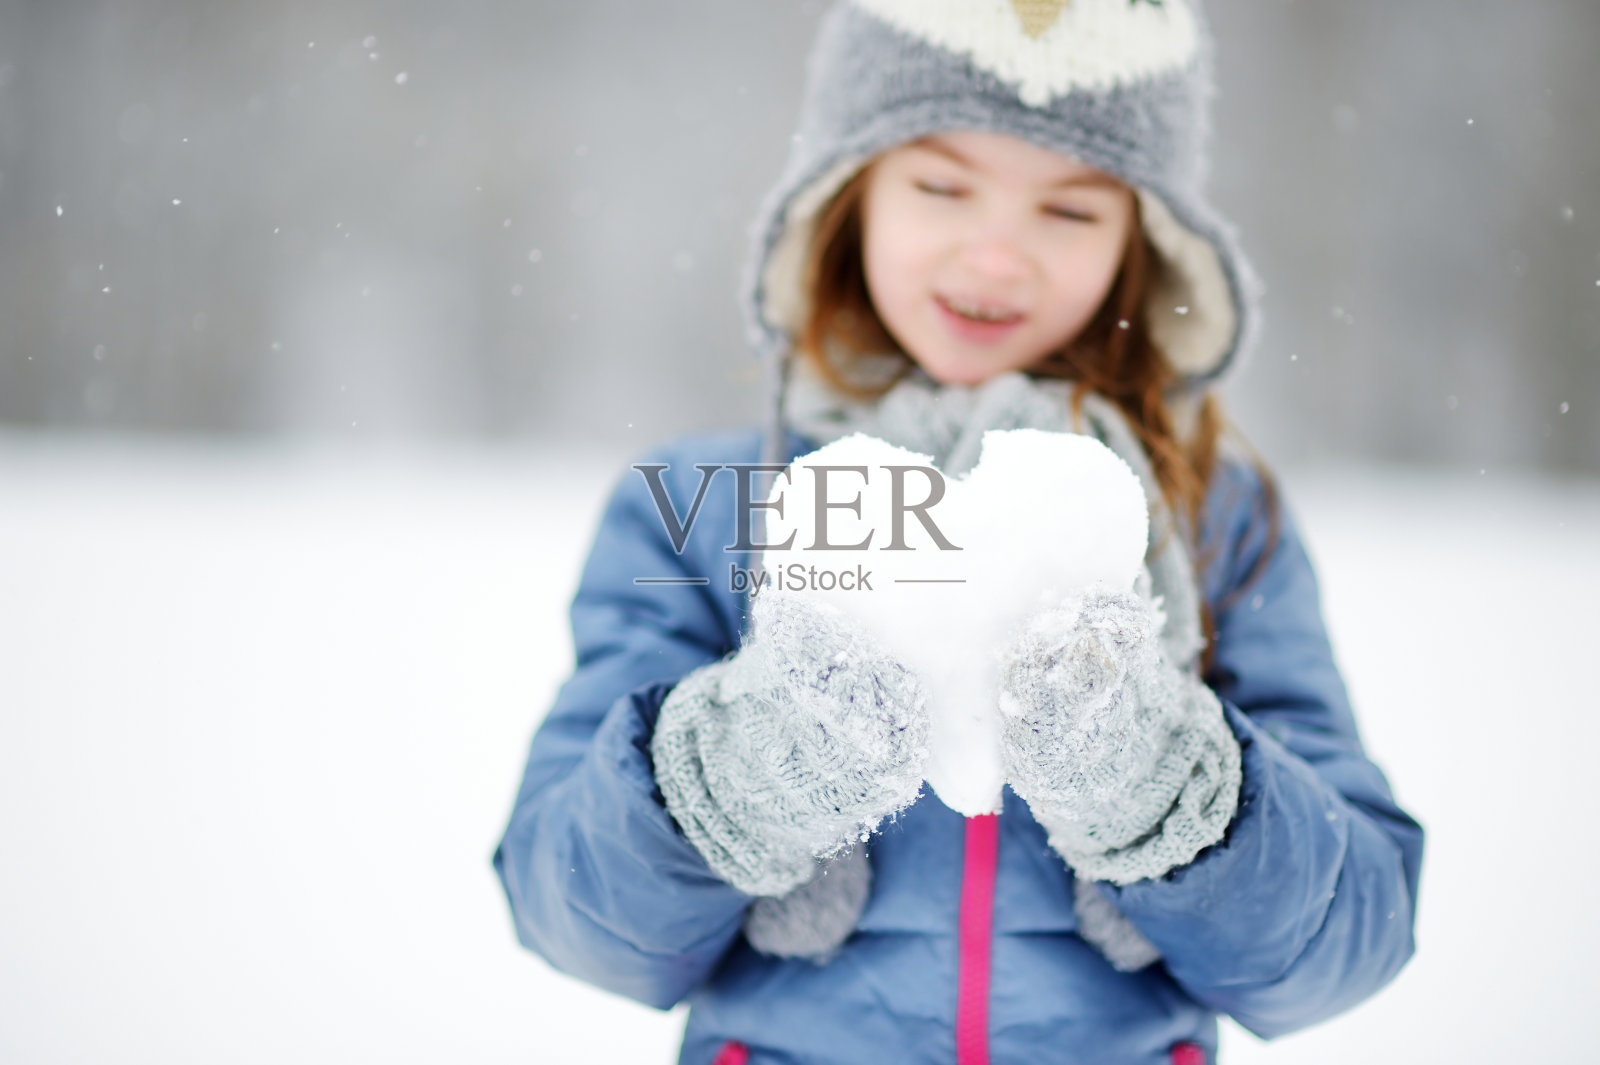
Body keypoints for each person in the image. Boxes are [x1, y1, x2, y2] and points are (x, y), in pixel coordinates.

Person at [492, 2, 1424, 1062]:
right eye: (941, 187)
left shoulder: (1217, 515)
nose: (996, 257)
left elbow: (1344, 947)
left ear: (1140, 244)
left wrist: (1168, 791)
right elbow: (574, 918)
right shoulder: (707, 505)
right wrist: (736, 778)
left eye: (1068, 210)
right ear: (850, 196)